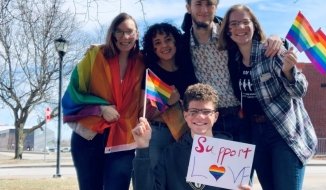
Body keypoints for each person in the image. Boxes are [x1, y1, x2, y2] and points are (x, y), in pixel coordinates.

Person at [217, 4, 318, 190]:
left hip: (283, 132)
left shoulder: (271, 51)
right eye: (234, 24)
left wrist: (289, 72)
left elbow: (299, 91)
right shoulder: (234, 60)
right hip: (255, 133)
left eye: (245, 22)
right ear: (228, 30)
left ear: (254, 25)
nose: (240, 28)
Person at [62, 13, 144, 190]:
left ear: (137, 34)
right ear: (113, 34)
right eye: (119, 32)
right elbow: (73, 93)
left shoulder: (142, 62)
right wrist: (100, 108)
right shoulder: (95, 56)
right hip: (89, 136)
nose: (125, 37)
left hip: (123, 138)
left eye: (129, 31)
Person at [181, 0, 283, 143]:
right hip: (208, 119)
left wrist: (278, 39)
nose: (204, 9)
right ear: (188, 8)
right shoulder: (182, 44)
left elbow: (258, 41)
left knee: (245, 165)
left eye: (209, 4)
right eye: (198, 4)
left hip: (241, 115)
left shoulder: (231, 35)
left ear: (216, 8)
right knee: (212, 165)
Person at [132, 83, 251, 190]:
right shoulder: (170, 154)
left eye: (206, 112)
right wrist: (142, 147)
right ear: (185, 115)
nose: (200, 117)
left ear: (215, 116)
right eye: (194, 111)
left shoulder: (233, 154)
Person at [141, 22, 197, 169]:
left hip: (187, 133)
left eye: (168, 40)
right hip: (158, 133)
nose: (164, 46)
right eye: (157, 43)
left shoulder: (186, 67)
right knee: (156, 181)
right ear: (152, 48)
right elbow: (144, 112)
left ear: (175, 41)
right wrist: (167, 102)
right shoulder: (149, 72)